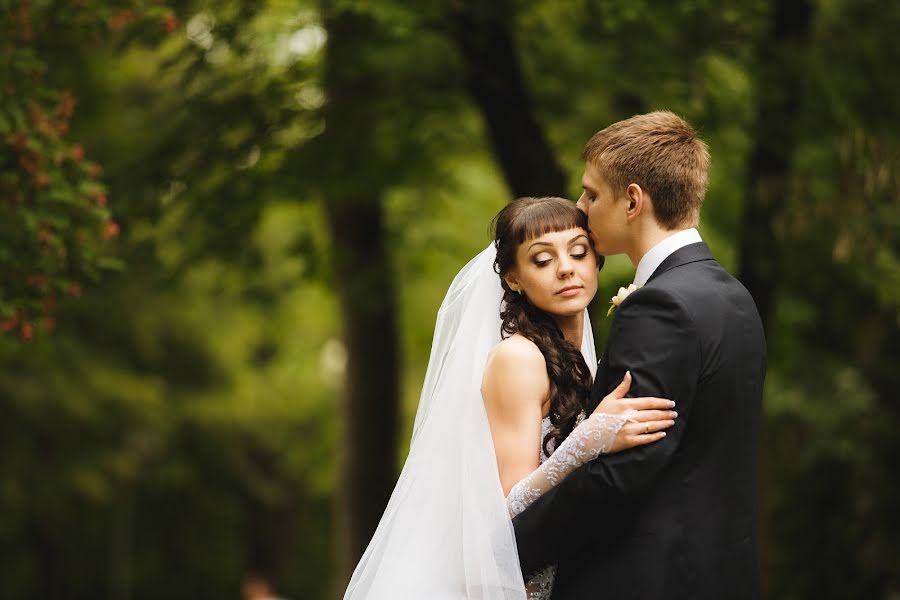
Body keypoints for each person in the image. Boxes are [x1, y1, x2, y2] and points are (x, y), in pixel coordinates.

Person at [343, 197, 676, 600]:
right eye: (541, 260)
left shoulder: (578, 357)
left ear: (596, 260)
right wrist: (587, 443)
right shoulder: (518, 358)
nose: (566, 268)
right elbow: (509, 503)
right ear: (514, 278)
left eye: (577, 251)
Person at [512, 111, 767, 600]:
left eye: (591, 194)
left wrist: (508, 548)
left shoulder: (660, 306)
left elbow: (619, 474)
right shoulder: (734, 296)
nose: (581, 208)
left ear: (632, 200)